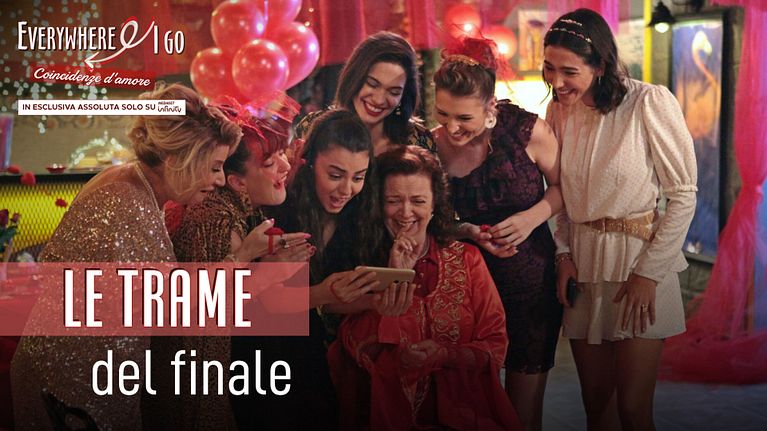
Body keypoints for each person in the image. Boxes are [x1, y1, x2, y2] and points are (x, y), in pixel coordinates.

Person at [11, 83, 244, 430]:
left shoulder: (136, 186)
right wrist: (238, 262)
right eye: (214, 167)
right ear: (178, 159)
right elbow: (167, 306)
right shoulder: (125, 203)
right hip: (70, 390)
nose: (221, 180)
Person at [544, 9, 697, 431]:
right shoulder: (559, 111)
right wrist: (563, 255)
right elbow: (561, 195)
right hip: (584, 266)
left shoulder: (648, 102)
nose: (557, 81)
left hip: (639, 264)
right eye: (549, 68)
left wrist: (649, 273)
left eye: (569, 71)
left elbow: (684, 194)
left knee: (632, 408)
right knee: (596, 405)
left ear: (600, 65)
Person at [334, 146, 520, 430]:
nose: (406, 212)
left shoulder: (467, 259)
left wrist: (445, 355)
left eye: (418, 201)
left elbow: (495, 346)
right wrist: (396, 276)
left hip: (468, 415)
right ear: (379, 205)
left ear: (435, 206)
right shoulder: (362, 264)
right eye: (393, 200)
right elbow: (355, 351)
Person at [432, 37, 563, 430]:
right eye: (442, 114)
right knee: (468, 411)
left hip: (530, 287)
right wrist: (467, 231)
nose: (452, 127)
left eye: (464, 118)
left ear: (490, 107)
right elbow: (430, 221)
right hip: (466, 292)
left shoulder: (528, 131)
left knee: (523, 414)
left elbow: (564, 189)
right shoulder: (431, 144)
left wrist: (532, 218)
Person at [230, 109, 384, 430]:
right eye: (335, 175)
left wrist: (373, 300)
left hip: (311, 347)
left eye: (358, 177)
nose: (346, 190)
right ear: (310, 161)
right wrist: (324, 293)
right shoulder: (280, 206)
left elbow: (331, 297)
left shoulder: (358, 215)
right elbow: (270, 301)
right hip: (265, 352)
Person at [170, 97, 311, 431]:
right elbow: (205, 317)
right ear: (235, 181)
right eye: (271, 162)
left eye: (283, 154)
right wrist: (267, 275)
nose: (286, 166)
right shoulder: (214, 217)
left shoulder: (240, 209)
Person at [295, 31, 435, 155]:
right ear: (354, 78)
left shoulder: (418, 140)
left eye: (393, 92)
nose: (379, 100)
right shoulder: (312, 127)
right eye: (372, 84)